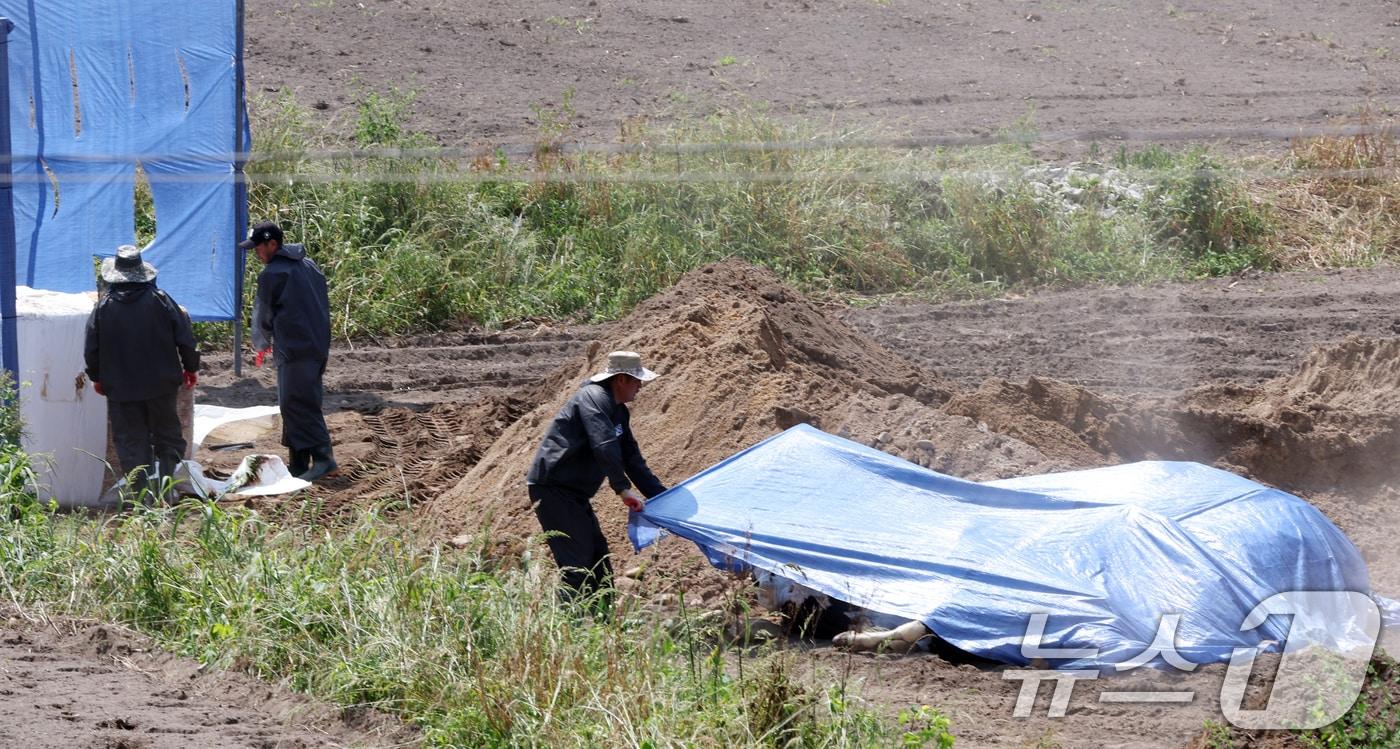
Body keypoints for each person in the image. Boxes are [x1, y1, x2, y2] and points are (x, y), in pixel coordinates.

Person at [526, 350, 668, 606]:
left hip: (575, 494)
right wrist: (622, 489)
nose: (640, 386)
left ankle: (602, 619)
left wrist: (664, 498)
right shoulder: (592, 397)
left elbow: (632, 459)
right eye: (637, 380)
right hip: (553, 489)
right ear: (621, 379)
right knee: (577, 564)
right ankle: (569, 621)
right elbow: (603, 442)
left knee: (598, 560)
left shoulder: (619, 411)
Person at [84, 245, 199, 501]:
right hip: (162, 385)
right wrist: (191, 367)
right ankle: (166, 491)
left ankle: (142, 499)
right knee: (167, 436)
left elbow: (91, 348)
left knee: (131, 443)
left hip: (121, 389)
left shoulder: (103, 308)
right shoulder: (162, 300)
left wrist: (96, 377)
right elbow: (185, 339)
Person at [240, 220, 337, 481]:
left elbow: (263, 313)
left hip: (295, 348)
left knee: (298, 404)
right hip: (316, 345)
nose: (256, 253)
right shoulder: (308, 265)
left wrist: (260, 343)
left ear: (273, 244)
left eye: (258, 247)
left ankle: (324, 459)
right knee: (297, 402)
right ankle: (298, 463)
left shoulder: (272, 274)